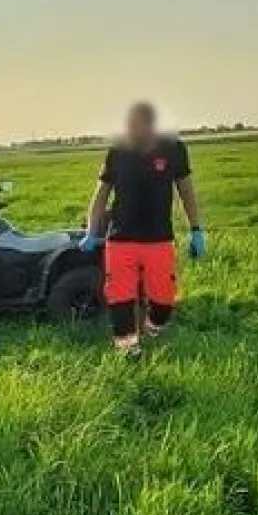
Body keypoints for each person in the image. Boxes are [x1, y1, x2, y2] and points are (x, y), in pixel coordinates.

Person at [80, 102, 207, 358]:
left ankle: (153, 326)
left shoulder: (174, 150)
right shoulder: (117, 152)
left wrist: (196, 229)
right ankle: (128, 352)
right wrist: (92, 232)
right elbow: (101, 195)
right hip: (121, 239)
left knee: (164, 302)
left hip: (159, 239)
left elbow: (186, 192)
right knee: (120, 299)